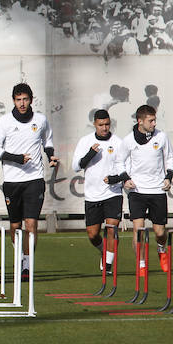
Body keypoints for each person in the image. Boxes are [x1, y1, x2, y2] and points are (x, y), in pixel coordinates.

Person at [0, 83, 58, 280]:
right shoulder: (5, 122)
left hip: (34, 179)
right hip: (12, 180)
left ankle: (27, 265)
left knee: (31, 224)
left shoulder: (41, 120)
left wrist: (51, 156)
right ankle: (20, 256)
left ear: (31, 100)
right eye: (18, 100)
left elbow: (48, 141)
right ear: (13, 100)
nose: (22, 103)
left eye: (25, 99)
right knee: (15, 225)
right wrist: (16, 158)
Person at [111, 104, 173, 272]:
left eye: (154, 120)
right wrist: (126, 179)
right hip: (137, 191)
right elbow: (119, 161)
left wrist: (168, 177)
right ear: (140, 121)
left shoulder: (161, 137)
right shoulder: (128, 140)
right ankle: (141, 264)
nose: (154, 123)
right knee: (138, 229)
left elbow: (170, 158)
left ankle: (161, 249)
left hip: (157, 190)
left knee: (160, 232)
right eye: (151, 120)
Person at [71, 109, 124, 272]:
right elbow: (75, 167)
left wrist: (115, 179)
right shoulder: (85, 141)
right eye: (101, 125)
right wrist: (90, 154)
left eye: (107, 124)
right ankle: (104, 252)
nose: (104, 128)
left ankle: (108, 265)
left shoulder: (118, 142)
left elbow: (125, 167)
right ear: (95, 124)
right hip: (92, 195)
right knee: (93, 234)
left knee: (112, 227)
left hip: (112, 192)